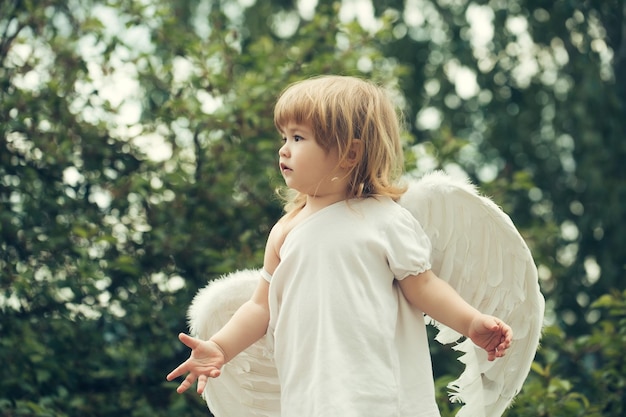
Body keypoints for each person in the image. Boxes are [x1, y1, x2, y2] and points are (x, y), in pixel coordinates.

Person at [166, 75, 513, 416]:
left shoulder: (384, 219)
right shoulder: (286, 229)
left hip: (381, 395)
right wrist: (220, 347)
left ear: (349, 154)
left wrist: (470, 322)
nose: (283, 148)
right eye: (284, 136)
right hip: (311, 396)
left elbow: (423, 286)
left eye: (298, 137)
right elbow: (260, 308)